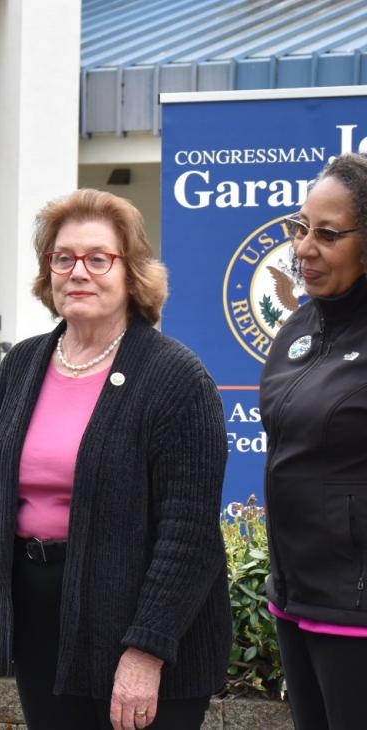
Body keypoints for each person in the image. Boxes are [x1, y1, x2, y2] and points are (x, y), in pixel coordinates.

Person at [0, 189, 231, 730]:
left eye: (98, 258)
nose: (78, 272)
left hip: (140, 628)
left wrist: (146, 651)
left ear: (132, 273)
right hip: (40, 620)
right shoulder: (23, 364)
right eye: (63, 257)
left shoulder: (176, 377)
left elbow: (187, 533)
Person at [260, 152, 367, 730]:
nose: (304, 248)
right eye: (301, 228)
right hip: (295, 597)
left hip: (356, 609)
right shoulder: (301, 328)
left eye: (328, 234)